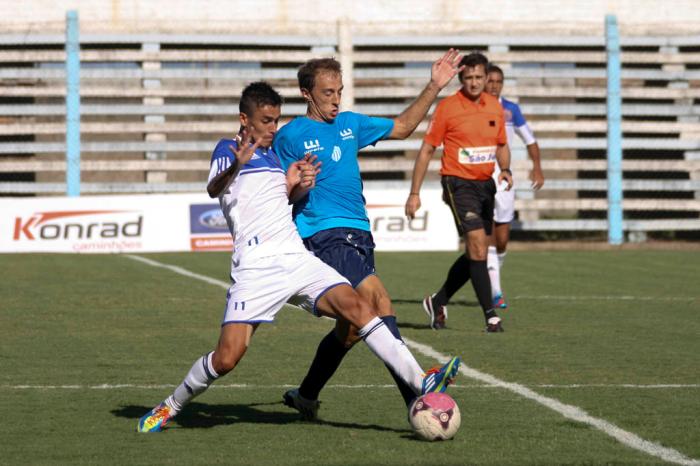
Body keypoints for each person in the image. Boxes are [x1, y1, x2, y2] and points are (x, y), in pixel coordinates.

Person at [137, 82, 460, 433]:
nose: (272, 128)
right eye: (265, 120)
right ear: (244, 119)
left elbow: (280, 201)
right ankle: (170, 406)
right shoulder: (228, 149)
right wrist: (237, 164)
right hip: (257, 265)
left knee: (360, 308)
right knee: (227, 358)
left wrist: (300, 182)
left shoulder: (275, 157)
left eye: (276, 120)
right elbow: (214, 188)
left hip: (295, 255)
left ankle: (420, 381)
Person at [273, 50, 464, 419]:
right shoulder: (291, 136)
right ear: (305, 93)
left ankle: (306, 396)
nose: (335, 99)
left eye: (339, 91)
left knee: (350, 330)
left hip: (359, 234)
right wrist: (297, 186)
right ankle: (417, 395)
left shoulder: (350, 124)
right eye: (327, 92)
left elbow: (403, 127)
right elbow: (277, 188)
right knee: (380, 301)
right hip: (323, 233)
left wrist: (434, 86)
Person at [404, 52, 513, 332]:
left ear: (487, 77)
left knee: (476, 251)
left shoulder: (494, 107)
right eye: (469, 78)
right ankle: (491, 316)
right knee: (477, 244)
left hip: (485, 185)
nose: (475, 82)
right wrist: (414, 193)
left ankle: (438, 300)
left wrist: (505, 169)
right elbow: (427, 149)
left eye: (479, 77)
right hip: (457, 183)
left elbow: (501, 144)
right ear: (461, 79)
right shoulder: (448, 108)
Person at [484, 64, 545, 309]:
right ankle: (495, 291)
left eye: (499, 81)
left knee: (502, 240)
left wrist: (537, 167)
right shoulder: (475, 109)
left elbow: (530, 140)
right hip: (479, 177)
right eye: (491, 80)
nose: (494, 85)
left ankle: (492, 273)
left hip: (504, 179)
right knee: (486, 235)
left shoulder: (510, 109)